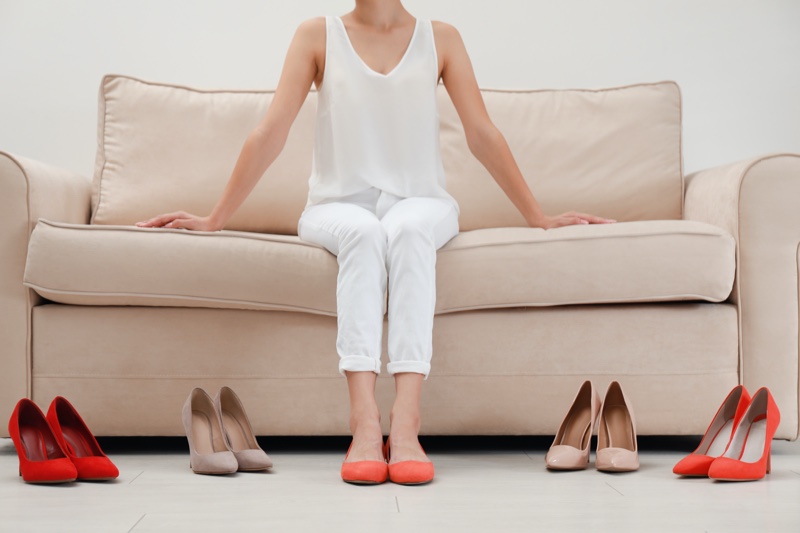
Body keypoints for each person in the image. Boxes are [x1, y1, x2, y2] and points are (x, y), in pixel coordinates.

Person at [136, 0, 615, 485]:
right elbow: (271, 132)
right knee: (365, 234)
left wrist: (539, 216)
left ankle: (406, 426)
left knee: (407, 232)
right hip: (336, 206)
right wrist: (215, 218)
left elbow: (481, 132)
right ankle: (364, 424)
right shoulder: (316, 35)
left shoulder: (441, 38)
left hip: (423, 201)